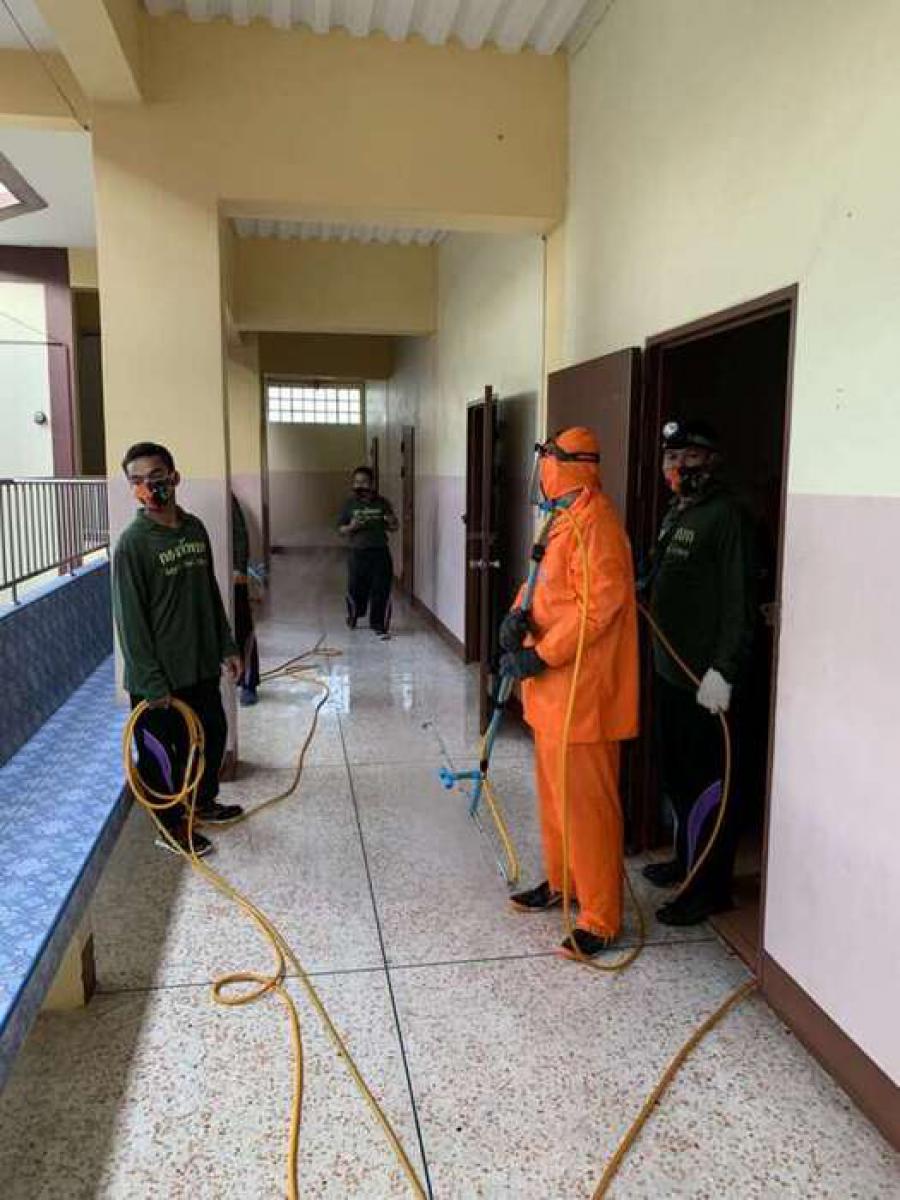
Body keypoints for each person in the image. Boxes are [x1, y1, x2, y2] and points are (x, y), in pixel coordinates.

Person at [499, 427, 639, 960]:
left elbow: (597, 608)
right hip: (552, 697)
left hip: (583, 694)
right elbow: (541, 583)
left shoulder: (598, 524)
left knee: (588, 811)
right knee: (556, 802)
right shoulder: (561, 518)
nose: (542, 468)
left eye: (548, 458)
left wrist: (542, 653)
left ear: (567, 464)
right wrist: (516, 616)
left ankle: (600, 918)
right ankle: (564, 885)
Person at [640, 418, 756, 926]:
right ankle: (686, 861)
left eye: (688, 457)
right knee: (677, 776)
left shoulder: (727, 516)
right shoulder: (679, 511)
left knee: (709, 783)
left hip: (706, 683)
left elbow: (738, 600)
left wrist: (723, 670)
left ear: (711, 460)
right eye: (671, 457)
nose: (677, 466)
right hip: (670, 672)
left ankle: (710, 888)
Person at [113, 442, 244, 857]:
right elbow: (130, 622)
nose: (148, 487)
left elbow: (210, 593)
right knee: (161, 759)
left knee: (209, 737)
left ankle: (202, 803)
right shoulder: (133, 544)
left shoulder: (195, 529)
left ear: (174, 477)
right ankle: (170, 828)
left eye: (156, 477)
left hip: (199, 666)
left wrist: (227, 645)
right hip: (158, 680)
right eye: (137, 481)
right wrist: (152, 682)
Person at [337, 465, 399, 639]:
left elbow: (394, 527)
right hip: (357, 553)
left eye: (363, 482)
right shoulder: (349, 504)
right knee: (356, 588)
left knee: (381, 588)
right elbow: (340, 529)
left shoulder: (382, 503)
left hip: (380, 552)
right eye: (356, 482)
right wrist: (352, 526)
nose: (359, 485)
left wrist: (392, 521)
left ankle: (378, 623)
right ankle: (354, 615)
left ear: (372, 484)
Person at [231, 492, 260, 707]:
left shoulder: (226, 495)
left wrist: (240, 568)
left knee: (243, 627)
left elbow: (240, 534)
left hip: (234, 575)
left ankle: (249, 683)